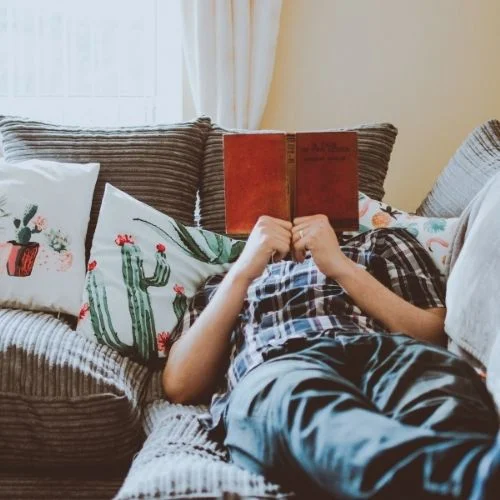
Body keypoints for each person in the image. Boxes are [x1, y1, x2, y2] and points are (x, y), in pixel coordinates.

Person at [163, 215, 500, 499]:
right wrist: (241, 272)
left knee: (444, 404)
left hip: (389, 353)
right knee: (310, 411)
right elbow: (180, 385)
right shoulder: (219, 283)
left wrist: (339, 265)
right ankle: (473, 477)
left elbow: (435, 335)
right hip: (279, 363)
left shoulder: (383, 242)